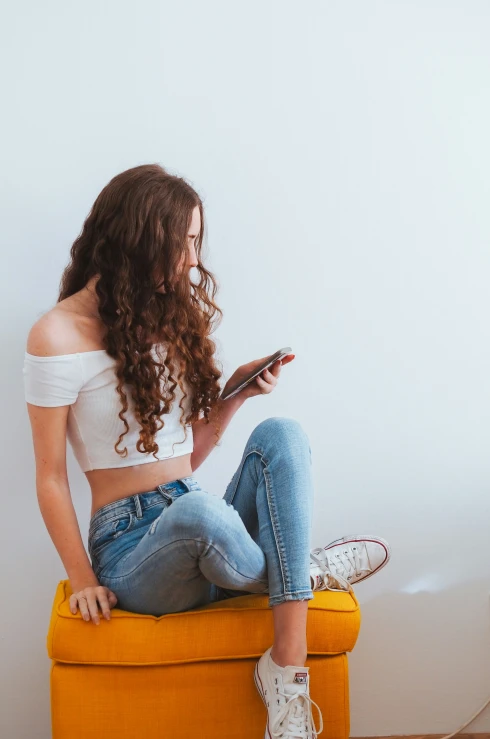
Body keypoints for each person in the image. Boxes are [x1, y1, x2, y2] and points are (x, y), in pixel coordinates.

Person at [23, 163, 390, 738]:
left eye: (197, 241)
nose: (194, 260)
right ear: (142, 239)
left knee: (283, 435)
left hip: (207, 530)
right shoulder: (55, 336)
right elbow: (49, 476)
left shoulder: (162, 318)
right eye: (184, 242)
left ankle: (286, 670)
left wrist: (233, 397)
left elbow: (185, 461)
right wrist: (82, 578)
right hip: (133, 550)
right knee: (198, 512)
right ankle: (305, 570)